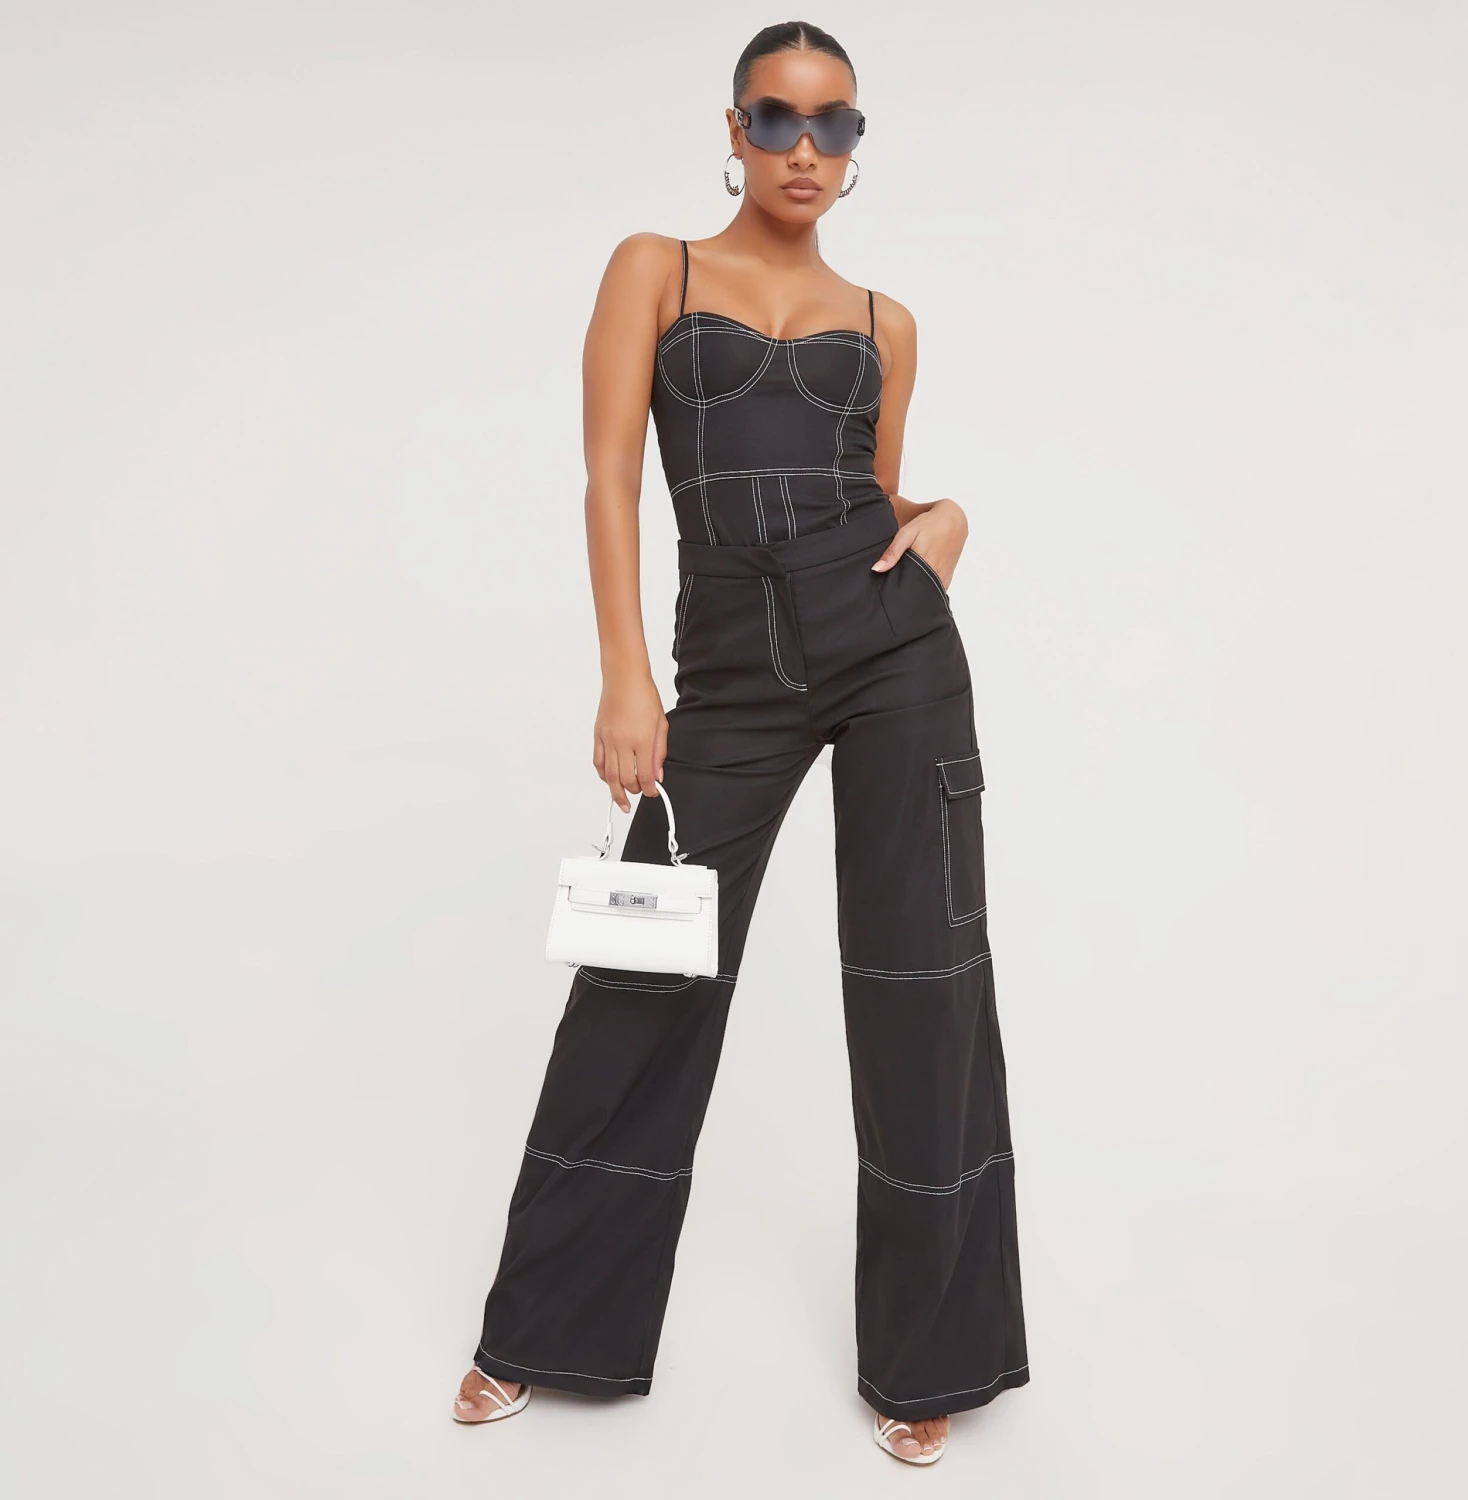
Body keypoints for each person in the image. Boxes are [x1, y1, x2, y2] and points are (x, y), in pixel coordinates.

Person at [451, 20, 1028, 1466]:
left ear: (857, 144)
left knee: (921, 985)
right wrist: (626, 679)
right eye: (777, 119)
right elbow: (607, 474)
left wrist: (947, 525)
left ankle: (932, 1357)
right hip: (725, 672)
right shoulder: (658, 267)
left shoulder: (885, 320)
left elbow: (881, 498)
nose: (805, 151)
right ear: (734, 130)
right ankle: (541, 1330)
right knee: (643, 978)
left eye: (835, 126)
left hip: (892, 652)